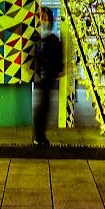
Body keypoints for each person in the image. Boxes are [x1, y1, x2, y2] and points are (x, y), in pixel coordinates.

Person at [32, 8, 64, 147]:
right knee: (42, 107)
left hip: (47, 78)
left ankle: (39, 135)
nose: (43, 21)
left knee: (43, 107)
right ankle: (39, 136)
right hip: (41, 78)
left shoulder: (52, 39)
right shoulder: (39, 38)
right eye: (41, 18)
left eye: (45, 18)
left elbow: (56, 58)